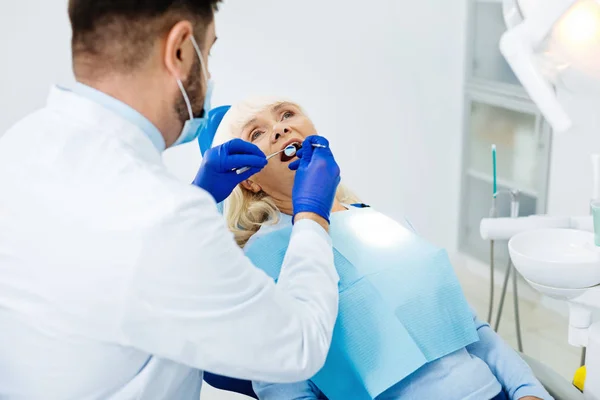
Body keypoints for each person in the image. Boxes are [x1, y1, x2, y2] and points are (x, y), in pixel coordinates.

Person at [0, 2, 344, 399]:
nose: (209, 74)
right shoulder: (163, 217)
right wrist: (312, 217)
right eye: (208, 51)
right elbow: (299, 346)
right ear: (180, 49)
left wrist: (198, 197)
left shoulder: (17, 147)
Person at [204, 97, 552, 400]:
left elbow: (470, 328)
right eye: (256, 133)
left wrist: (528, 390)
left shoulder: (385, 222)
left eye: (286, 114)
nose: (279, 130)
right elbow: (286, 390)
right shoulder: (261, 259)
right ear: (247, 179)